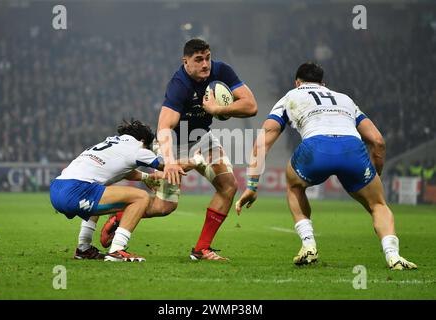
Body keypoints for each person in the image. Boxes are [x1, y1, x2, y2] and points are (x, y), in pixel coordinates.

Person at [236, 62, 417, 270]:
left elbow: (263, 142)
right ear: (324, 83)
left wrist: (252, 185)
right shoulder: (345, 99)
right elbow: (378, 141)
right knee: (378, 205)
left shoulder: (290, 97)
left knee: (294, 186)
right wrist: (372, 176)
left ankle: (308, 244)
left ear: (297, 82)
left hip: (316, 148)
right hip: (352, 148)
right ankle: (393, 256)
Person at [156, 38, 258, 260]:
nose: (205, 64)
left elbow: (251, 106)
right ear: (186, 62)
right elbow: (164, 126)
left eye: (208, 58)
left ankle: (201, 249)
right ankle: (119, 218)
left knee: (229, 186)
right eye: (199, 60)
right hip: (175, 141)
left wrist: (218, 108)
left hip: (201, 138)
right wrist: (170, 160)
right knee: (164, 207)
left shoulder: (222, 71)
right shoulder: (179, 84)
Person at [50, 119, 200, 262]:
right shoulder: (137, 148)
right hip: (77, 191)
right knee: (141, 197)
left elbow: (122, 170)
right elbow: (170, 166)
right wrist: (196, 160)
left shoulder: (111, 142)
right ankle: (116, 250)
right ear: (143, 141)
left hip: (57, 188)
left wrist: (146, 177)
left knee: (99, 190)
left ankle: (84, 249)